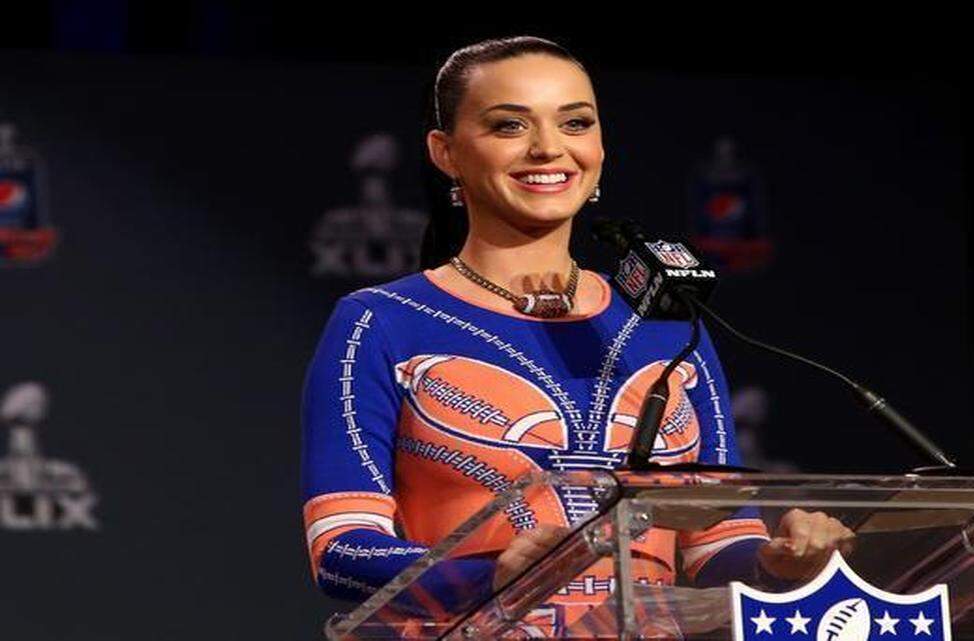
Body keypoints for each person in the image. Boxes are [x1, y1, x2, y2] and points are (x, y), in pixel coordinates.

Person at [300, 35, 854, 633]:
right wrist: (490, 573)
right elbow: (343, 551)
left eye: (575, 122)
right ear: (446, 152)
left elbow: (716, 543)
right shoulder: (381, 322)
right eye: (509, 126)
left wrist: (777, 563)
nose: (548, 149)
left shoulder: (669, 324)